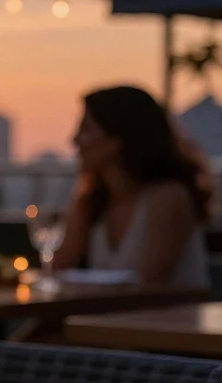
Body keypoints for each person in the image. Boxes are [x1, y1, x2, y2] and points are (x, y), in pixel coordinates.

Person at [53, 85, 210, 286]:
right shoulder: (92, 200)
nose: (74, 140)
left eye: (86, 129)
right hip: (106, 316)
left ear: (117, 140)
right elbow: (58, 271)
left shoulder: (168, 198)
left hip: (162, 317)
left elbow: (151, 284)